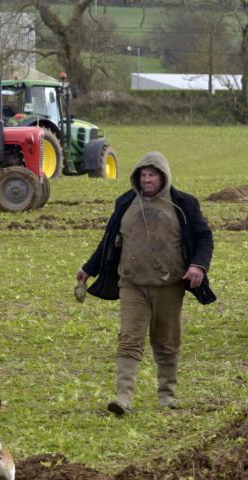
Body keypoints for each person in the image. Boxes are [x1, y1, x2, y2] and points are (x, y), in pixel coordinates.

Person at [77, 151, 215, 416]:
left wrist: (198, 265)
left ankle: (167, 396)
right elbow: (108, 241)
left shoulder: (184, 204)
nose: (147, 180)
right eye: (143, 175)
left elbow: (204, 238)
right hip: (132, 284)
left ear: (163, 176)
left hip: (169, 285)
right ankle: (123, 398)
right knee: (129, 339)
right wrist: (88, 268)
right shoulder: (125, 203)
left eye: (152, 175)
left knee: (166, 342)